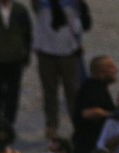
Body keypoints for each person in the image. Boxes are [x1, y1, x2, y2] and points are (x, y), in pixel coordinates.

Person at [31, 0, 85, 139]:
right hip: (46, 50)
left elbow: (80, 18)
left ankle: (77, 124)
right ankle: (51, 125)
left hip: (68, 50)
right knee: (50, 92)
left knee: (72, 91)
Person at [71, 56, 118, 153]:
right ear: (101, 72)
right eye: (111, 67)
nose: (116, 70)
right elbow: (88, 113)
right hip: (88, 147)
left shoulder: (94, 87)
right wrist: (113, 115)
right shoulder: (94, 88)